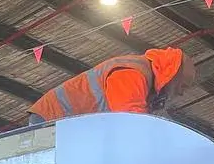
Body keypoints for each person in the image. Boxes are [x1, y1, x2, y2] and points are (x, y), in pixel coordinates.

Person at [27, 47, 196, 125]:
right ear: (173, 75)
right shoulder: (133, 73)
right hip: (51, 119)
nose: (181, 93)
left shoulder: (147, 84)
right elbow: (131, 122)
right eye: (183, 85)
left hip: (67, 126)